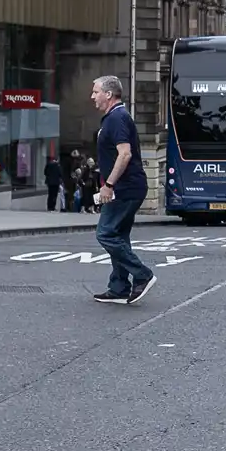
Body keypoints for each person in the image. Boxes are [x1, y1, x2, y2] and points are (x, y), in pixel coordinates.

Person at [85, 76, 153, 305]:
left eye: (96, 92)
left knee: (105, 233)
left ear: (109, 94)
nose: (92, 96)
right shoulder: (113, 118)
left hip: (125, 188)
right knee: (119, 235)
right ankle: (119, 287)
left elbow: (125, 154)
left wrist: (109, 185)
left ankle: (142, 274)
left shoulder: (117, 118)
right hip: (128, 187)